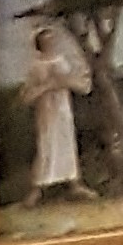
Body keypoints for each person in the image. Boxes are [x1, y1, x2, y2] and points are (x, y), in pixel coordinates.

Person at [22, 20, 92, 202]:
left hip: (62, 109)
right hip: (47, 112)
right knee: (47, 146)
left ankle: (74, 184)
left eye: (52, 39)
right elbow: (27, 95)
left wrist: (65, 81)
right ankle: (37, 189)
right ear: (39, 44)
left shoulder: (62, 60)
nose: (50, 43)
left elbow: (79, 84)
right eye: (46, 40)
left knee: (66, 143)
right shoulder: (35, 66)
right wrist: (47, 86)